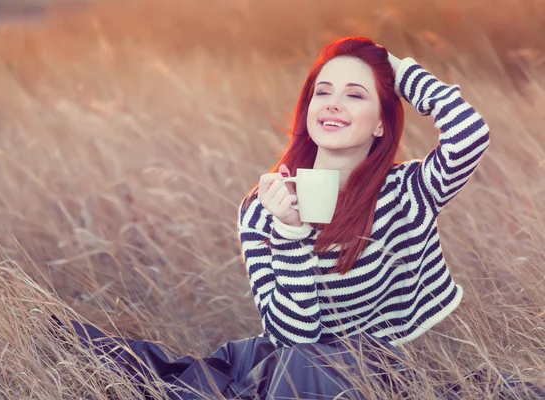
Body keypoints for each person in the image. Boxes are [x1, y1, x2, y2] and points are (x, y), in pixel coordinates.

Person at [55, 37, 543, 399]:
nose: (332, 102)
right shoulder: (261, 207)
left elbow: (469, 134)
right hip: (292, 367)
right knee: (140, 370)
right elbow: (294, 339)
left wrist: (397, 68)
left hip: (375, 372)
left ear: (380, 123)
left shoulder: (408, 190)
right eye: (323, 91)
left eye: (356, 94)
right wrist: (289, 233)